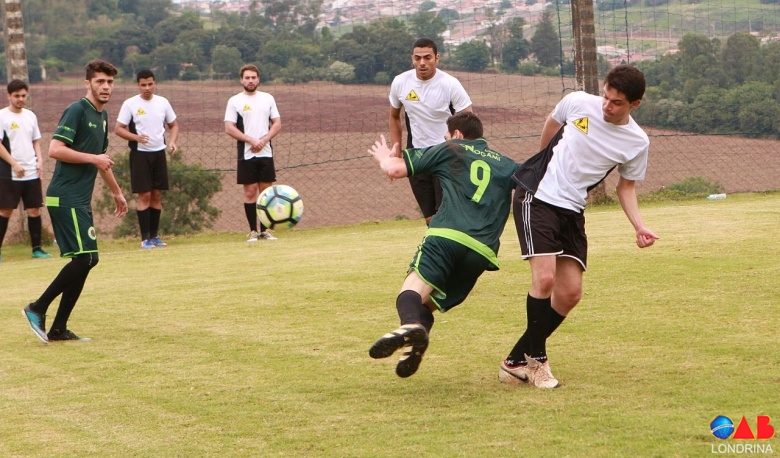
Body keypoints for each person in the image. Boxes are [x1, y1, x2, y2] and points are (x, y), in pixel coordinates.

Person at [499, 64, 659, 389]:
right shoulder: (578, 102)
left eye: (617, 103)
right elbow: (552, 120)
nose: (607, 106)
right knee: (545, 279)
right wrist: (542, 160)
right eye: (606, 97)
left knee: (569, 293)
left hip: (572, 210)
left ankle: (514, 360)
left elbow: (626, 187)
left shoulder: (637, 142)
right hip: (537, 196)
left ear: (635, 104)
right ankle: (536, 363)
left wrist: (639, 226)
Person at [367, 111, 519, 378]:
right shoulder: (507, 165)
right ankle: (414, 343)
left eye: (447, 135)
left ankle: (410, 327)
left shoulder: (452, 149)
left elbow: (395, 169)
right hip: (482, 251)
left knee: (412, 290)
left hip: (446, 235)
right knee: (426, 305)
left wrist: (383, 157)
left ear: (457, 135)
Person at [22, 59, 127, 343]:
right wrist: (93, 158)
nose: (106, 87)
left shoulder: (102, 116)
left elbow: (101, 161)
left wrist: (117, 192)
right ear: (88, 83)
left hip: (80, 200)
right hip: (64, 196)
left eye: (110, 82)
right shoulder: (77, 110)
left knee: (87, 260)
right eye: (100, 81)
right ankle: (37, 307)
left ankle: (58, 329)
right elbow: (55, 149)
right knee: (86, 258)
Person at [389, 37, 473, 226]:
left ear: (437, 58)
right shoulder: (400, 82)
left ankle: (450, 244)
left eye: (427, 57)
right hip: (417, 156)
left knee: (444, 215)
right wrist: (396, 149)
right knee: (429, 218)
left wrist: (463, 151)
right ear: (412, 59)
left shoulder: (450, 84)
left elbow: (469, 119)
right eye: (417, 58)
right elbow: (394, 117)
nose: (422, 63)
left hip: (446, 156)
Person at [115, 69, 179, 249]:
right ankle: (145, 239)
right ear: (138, 85)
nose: (147, 88)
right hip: (140, 155)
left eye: (150, 84)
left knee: (156, 194)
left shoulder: (163, 102)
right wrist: (135, 138)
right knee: (144, 195)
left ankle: (155, 236)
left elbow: (174, 125)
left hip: (159, 154)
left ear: (154, 83)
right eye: (143, 85)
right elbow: (118, 129)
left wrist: (173, 142)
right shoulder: (130, 104)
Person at [224, 64, 282, 242]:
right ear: (241, 80)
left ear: (258, 79)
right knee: (250, 192)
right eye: (247, 78)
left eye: (253, 77)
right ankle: (253, 231)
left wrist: (263, 140)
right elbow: (229, 127)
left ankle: (265, 230)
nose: (250, 81)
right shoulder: (234, 101)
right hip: (246, 154)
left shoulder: (268, 98)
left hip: (265, 152)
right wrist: (251, 140)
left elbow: (277, 124)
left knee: (266, 193)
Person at [0, 79, 53, 263]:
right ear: (9, 96)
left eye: (23, 95)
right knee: (5, 211)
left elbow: (35, 140)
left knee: (34, 210)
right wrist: (14, 164)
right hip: (10, 173)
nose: (21, 99)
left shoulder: (30, 116)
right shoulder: (2, 116)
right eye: (17, 96)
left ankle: (37, 249)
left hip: (31, 172)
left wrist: (39, 161)